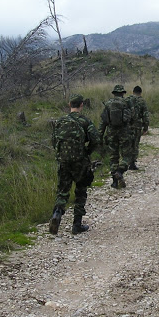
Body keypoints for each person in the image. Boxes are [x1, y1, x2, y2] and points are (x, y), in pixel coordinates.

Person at [49, 94, 100, 235]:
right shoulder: (85, 121)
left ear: (69, 104)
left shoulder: (60, 121)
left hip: (63, 161)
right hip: (80, 161)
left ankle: (57, 214)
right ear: (82, 105)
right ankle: (76, 225)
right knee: (81, 190)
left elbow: (54, 141)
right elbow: (96, 139)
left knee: (63, 190)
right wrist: (87, 152)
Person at [99, 84, 134, 188]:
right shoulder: (126, 103)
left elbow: (103, 122)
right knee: (127, 155)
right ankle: (120, 171)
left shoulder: (108, 104)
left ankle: (114, 182)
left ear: (114, 93)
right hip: (124, 133)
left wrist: (99, 136)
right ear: (123, 93)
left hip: (111, 134)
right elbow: (132, 118)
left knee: (113, 158)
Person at [127, 85, 150, 170]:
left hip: (127, 126)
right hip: (137, 126)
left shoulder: (127, 100)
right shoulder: (142, 101)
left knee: (128, 144)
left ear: (133, 92)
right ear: (140, 93)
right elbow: (145, 116)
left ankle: (125, 162)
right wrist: (145, 128)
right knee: (135, 144)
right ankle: (132, 163)